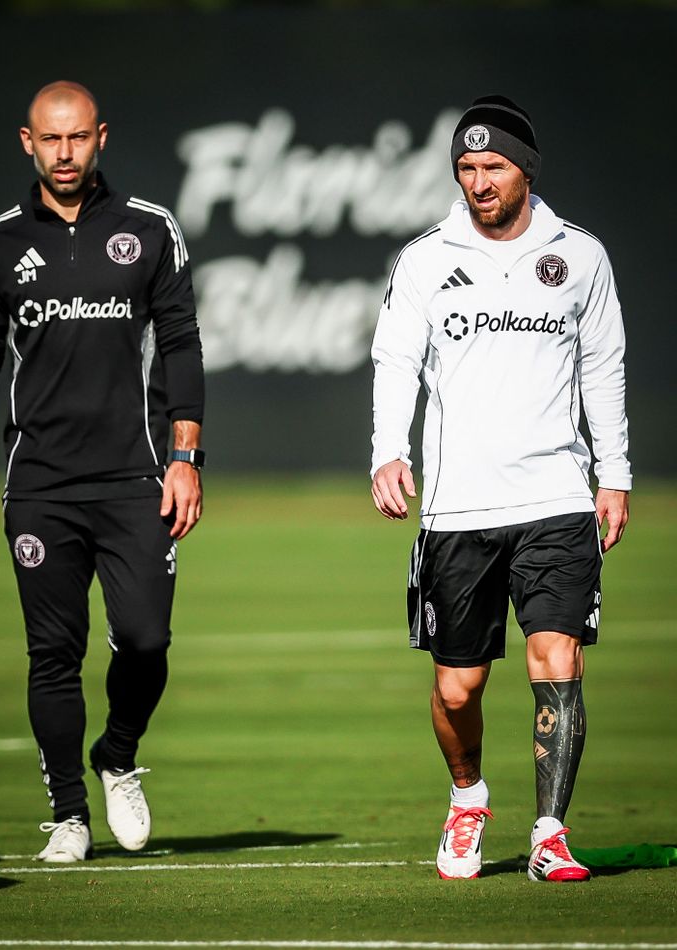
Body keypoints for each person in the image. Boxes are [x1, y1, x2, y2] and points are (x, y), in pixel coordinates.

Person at [370, 95, 631, 883]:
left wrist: (612, 473)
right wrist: (388, 450)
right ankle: (468, 798)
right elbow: (395, 361)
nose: (479, 182)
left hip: (555, 498)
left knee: (556, 658)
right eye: (467, 168)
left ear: (527, 169)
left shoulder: (579, 255)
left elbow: (603, 367)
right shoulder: (425, 258)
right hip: (459, 509)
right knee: (458, 688)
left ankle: (550, 833)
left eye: (494, 167)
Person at [0, 81, 205, 863]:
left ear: (101, 137)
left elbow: (183, 345)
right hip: (40, 485)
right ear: (27, 143)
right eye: (49, 140)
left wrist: (188, 458)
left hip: (135, 477)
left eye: (78, 139)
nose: (65, 153)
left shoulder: (149, 229)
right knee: (52, 653)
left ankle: (118, 755)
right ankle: (68, 811)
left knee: (146, 638)